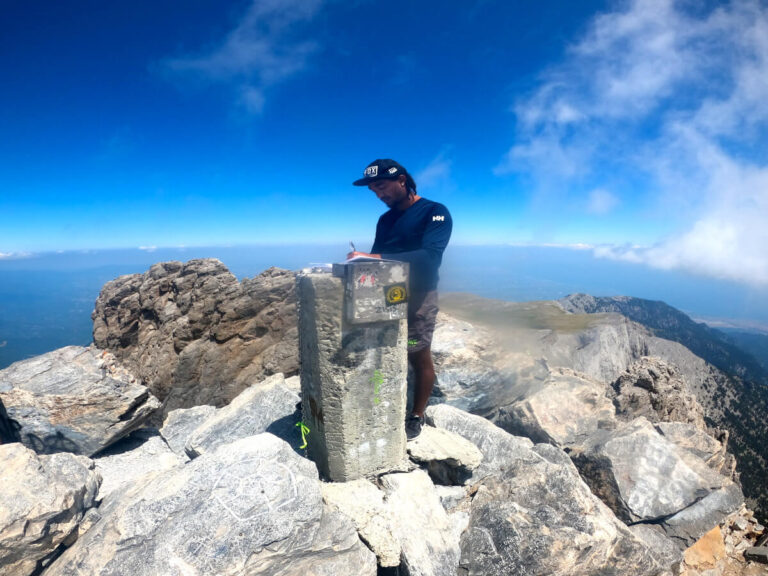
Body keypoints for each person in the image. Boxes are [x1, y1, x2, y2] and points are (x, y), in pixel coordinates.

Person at [348, 159, 452, 440]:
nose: (379, 195)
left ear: (402, 180)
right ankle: (378, 402)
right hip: (385, 295)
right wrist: (357, 265)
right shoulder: (386, 220)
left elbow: (430, 259)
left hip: (419, 296)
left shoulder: (435, 213)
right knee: (379, 352)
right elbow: (375, 259)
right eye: (373, 191)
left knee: (417, 354)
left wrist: (374, 258)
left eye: (381, 187)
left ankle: (416, 415)